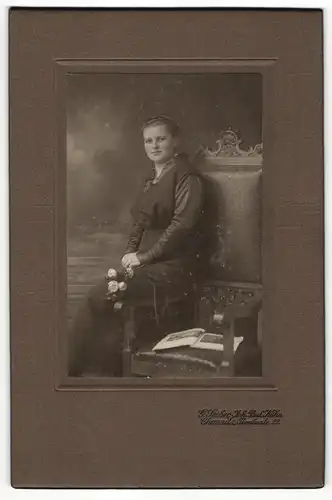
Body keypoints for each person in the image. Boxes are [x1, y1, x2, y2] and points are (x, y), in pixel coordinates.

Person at [68, 115, 204, 376]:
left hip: (175, 267)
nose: (154, 146)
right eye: (148, 141)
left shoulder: (188, 177)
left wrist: (143, 257)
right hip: (150, 263)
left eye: (161, 139)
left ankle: (77, 375)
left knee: (98, 296)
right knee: (105, 300)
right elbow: (140, 223)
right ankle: (97, 374)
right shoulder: (150, 178)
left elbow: (181, 226)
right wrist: (130, 252)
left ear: (175, 141)